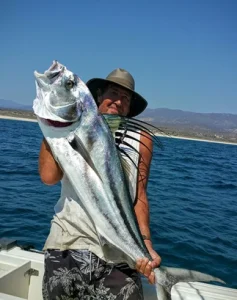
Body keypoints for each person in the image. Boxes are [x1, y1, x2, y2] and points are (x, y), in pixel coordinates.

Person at [40, 68, 161, 299]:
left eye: (125, 98)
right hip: (69, 241)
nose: (118, 101)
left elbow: (139, 195)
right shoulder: (72, 128)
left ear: (130, 107)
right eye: (113, 93)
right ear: (98, 96)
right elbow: (48, 177)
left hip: (120, 253)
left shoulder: (141, 139)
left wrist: (146, 242)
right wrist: (53, 127)